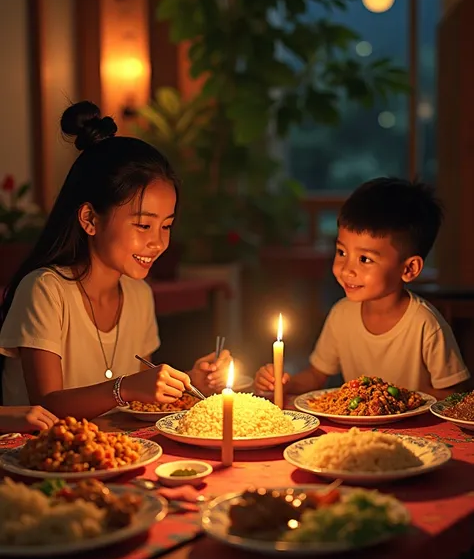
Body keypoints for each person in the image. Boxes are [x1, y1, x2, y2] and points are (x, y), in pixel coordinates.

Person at [0, 101, 230, 419]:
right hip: (42, 460)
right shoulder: (44, 290)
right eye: (143, 225)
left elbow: (139, 402)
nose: (158, 241)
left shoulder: (139, 295)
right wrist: (127, 387)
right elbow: (47, 406)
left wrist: (187, 383)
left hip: (116, 453)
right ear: (90, 219)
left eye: (166, 226)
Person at [254, 177, 470, 400]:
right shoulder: (341, 314)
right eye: (341, 252)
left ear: (409, 268)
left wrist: (400, 402)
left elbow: (453, 392)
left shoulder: (425, 324)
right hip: (358, 433)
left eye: (365, 259)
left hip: (417, 432)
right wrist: (284, 382)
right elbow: (317, 375)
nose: (347, 269)